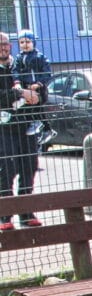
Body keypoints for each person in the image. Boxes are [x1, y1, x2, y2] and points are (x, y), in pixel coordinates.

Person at [0, 31, 44, 231]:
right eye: (0, 45)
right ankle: (5, 216)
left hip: (27, 124)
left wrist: (37, 94)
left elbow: (41, 87)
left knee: (29, 167)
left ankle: (26, 212)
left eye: (6, 44)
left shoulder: (22, 62)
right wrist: (19, 93)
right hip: (4, 128)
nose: (3, 48)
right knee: (7, 170)